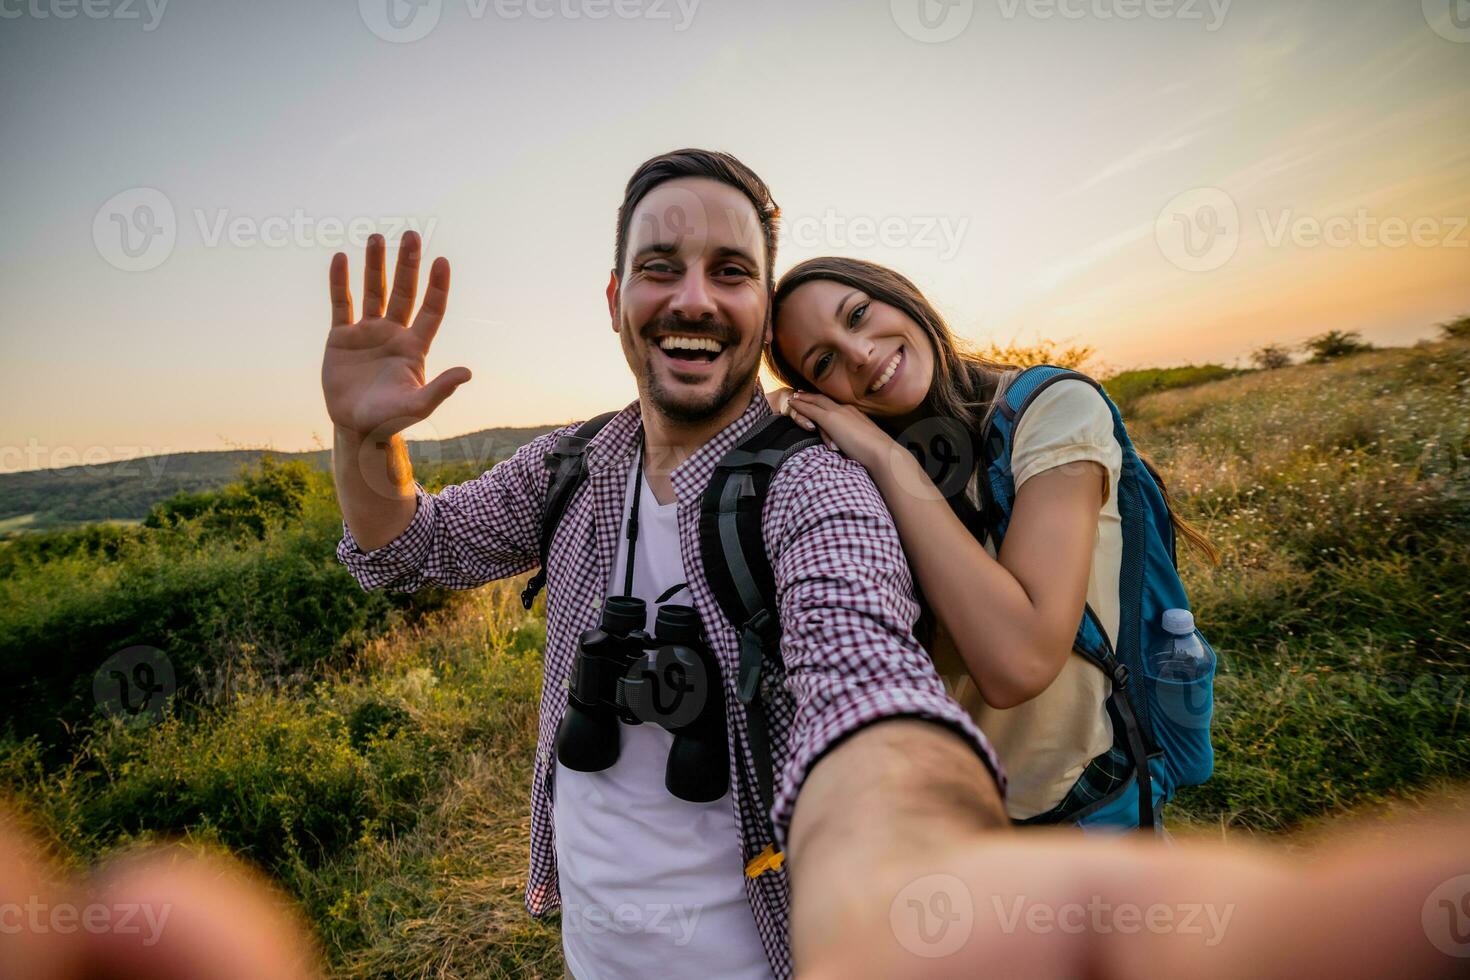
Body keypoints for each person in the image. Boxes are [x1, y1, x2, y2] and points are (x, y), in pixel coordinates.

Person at [323, 150, 1007, 979]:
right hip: (592, 954)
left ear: (763, 310)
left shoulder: (814, 484)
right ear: (615, 299)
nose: (693, 299)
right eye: (659, 268)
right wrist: (365, 441)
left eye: (730, 272)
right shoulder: (570, 466)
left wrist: (912, 812)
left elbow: (864, 669)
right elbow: (406, 550)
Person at [765, 257, 1216, 827]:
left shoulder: (1052, 409)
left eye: (857, 314)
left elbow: (1017, 663)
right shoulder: (855, 463)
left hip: (1082, 806)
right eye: (823, 361)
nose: (858, 354)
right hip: (959, 822)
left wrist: (889, 460)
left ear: (901, 296)